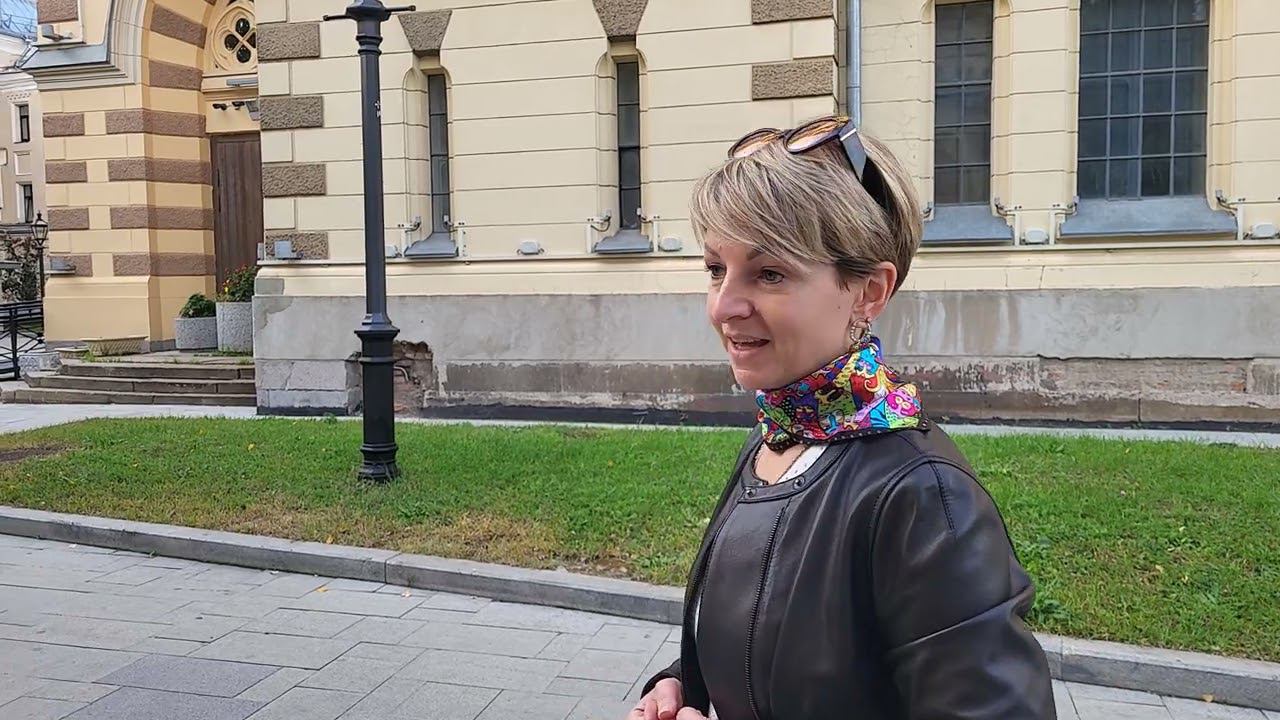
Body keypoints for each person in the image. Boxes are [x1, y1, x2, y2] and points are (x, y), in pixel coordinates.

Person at [628, 116, 1054, 720]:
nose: (724, 306)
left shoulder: (923, 496)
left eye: (769, 273)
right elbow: (785, 649)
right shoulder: (779, 437)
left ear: (868, 292)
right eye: (716, 269)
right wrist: (682, 686)